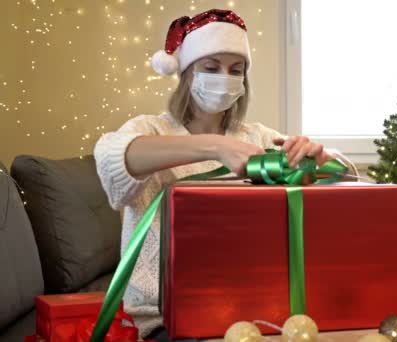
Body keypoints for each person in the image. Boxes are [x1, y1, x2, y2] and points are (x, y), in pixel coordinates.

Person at [94, 9, 357, 341]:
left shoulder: (257, 137)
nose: (225, 78)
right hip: (164, 318)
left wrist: (321, 157)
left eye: (236, 70)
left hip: (253, 307)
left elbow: (346, 175)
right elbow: (111, 157)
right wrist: (215, 147)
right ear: (187, 73)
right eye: (211, 67)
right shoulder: (149, 129)